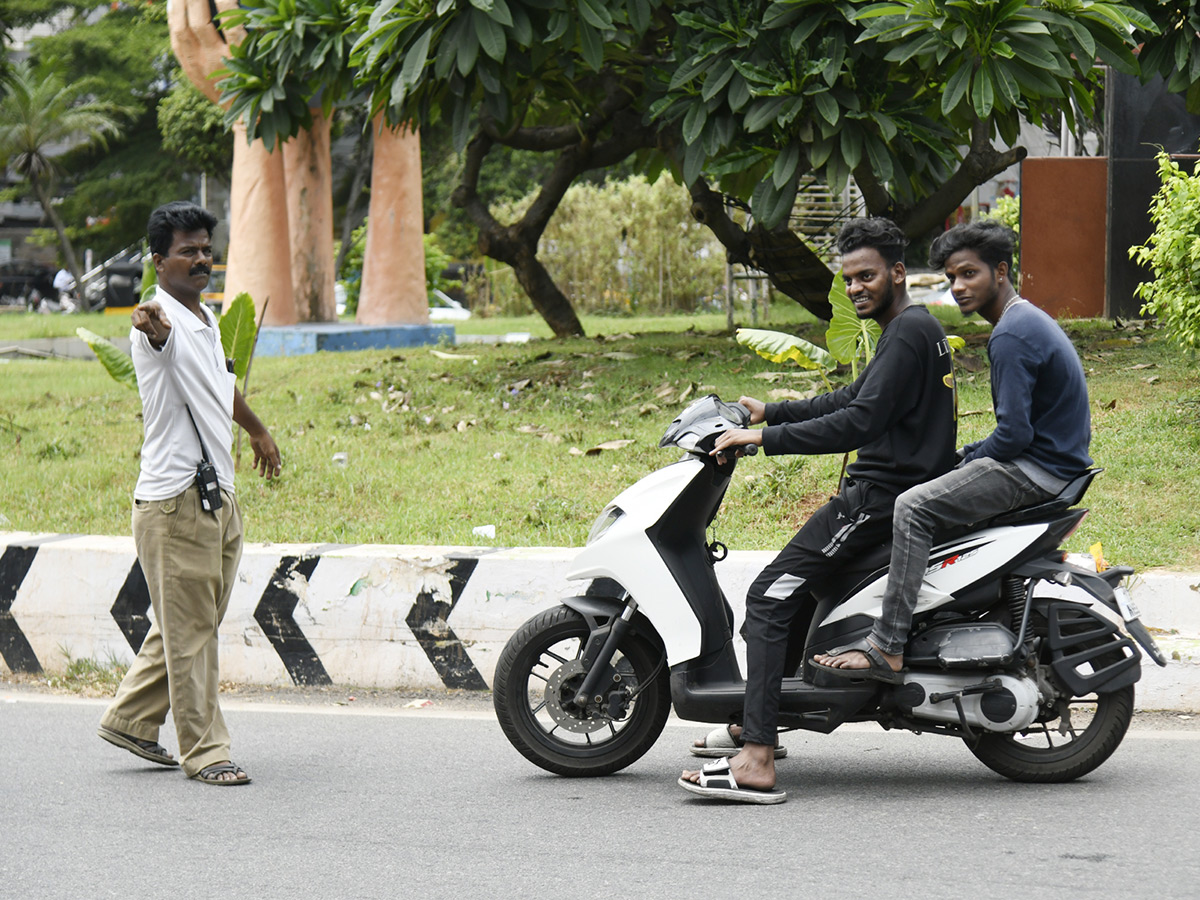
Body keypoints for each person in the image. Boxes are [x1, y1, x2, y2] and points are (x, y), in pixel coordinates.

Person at [679, 217, 957, 803]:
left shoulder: (906, 332)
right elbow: (855, 397)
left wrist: (761, 441)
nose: (856, 287)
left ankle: (755, 758)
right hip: (890, 492)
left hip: (878, 500)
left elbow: (859, 422)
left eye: (867, 276)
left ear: (897, 273)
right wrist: (770, 412)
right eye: (848, 278)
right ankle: (759, 720)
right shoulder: (910, 329)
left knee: (768, 596)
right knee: (797, 595)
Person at [814, 219, 1092, 682]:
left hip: (1036, 469)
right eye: (950, 278)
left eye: (969, 274)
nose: (958, 287)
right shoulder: (1024, 320)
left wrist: (969, 456)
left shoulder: (1010, 335)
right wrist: (970, 453)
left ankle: (887, 645)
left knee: (913, 506)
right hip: (1051, 461)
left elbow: (1014, 436)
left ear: (1000, 272)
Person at [97, 201, 282, 786]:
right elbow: (155, 334)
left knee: (191, 624)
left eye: (205, 249)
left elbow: (219, 384)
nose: (202, 259)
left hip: (214, 497)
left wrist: (257, 430)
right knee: (192, 634)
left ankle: (130, 719)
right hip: (175, 502)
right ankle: (205, 751)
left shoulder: (203, 321)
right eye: (187, 251)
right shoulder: (163, 321)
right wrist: (149, 325)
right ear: (159, 260)